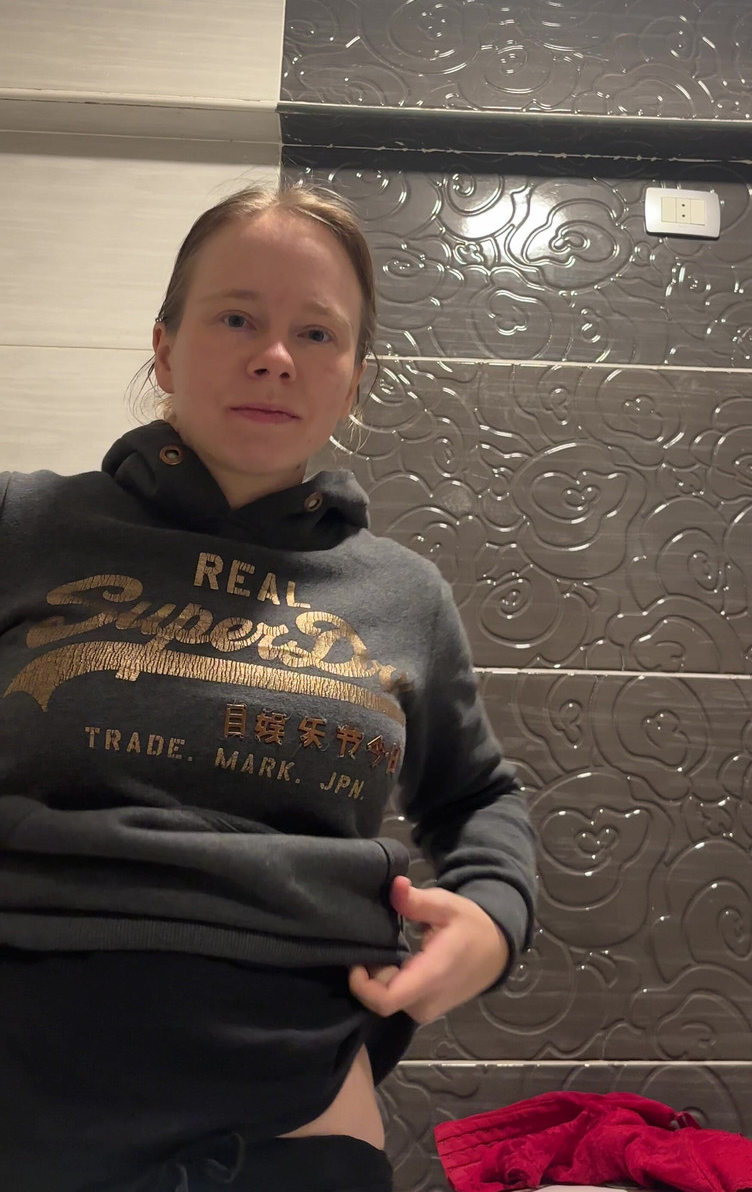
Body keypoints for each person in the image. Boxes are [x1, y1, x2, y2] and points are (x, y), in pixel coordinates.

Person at [0, 183, 536, 1192]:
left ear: (354, 380)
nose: (276, 355)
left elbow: (477, 796)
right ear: (164, 349)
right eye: (237, 318)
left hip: (298, 1096)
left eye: (317, 333)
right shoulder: (22, 526)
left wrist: (495, 916)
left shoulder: (406, 595)